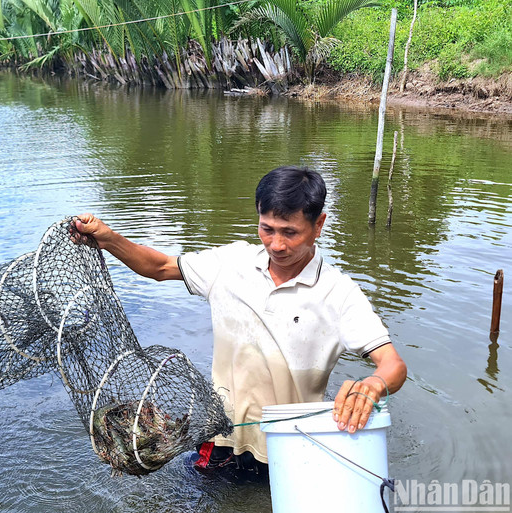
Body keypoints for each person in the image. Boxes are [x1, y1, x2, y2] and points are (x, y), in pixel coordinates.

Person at [72, 165, 407, 476]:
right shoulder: (230, 264)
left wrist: (372, 386)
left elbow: (392, 365)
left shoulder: (338, 293)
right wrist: (109, 238)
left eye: (290, 232)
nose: (277, 244)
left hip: (289, 443)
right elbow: (159, 268)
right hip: (220, 439)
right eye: (267, 229)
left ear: (318, 225)